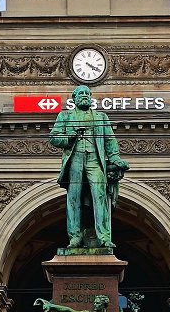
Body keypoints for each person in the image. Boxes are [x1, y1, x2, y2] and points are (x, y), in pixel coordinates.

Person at [49, 85, 129, 249]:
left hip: (94, 160)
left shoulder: (101, 116)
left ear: (90, 97)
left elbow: (109, 140)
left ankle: (104, 237)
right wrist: (69, 138)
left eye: (87, 93)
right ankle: (75, 237)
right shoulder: (64, 116)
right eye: (81, 93)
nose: (84, 95)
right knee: (74, 198)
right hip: (75, 159)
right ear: (74, 98)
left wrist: (115, 158)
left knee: (100, 197)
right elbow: (54, 138)